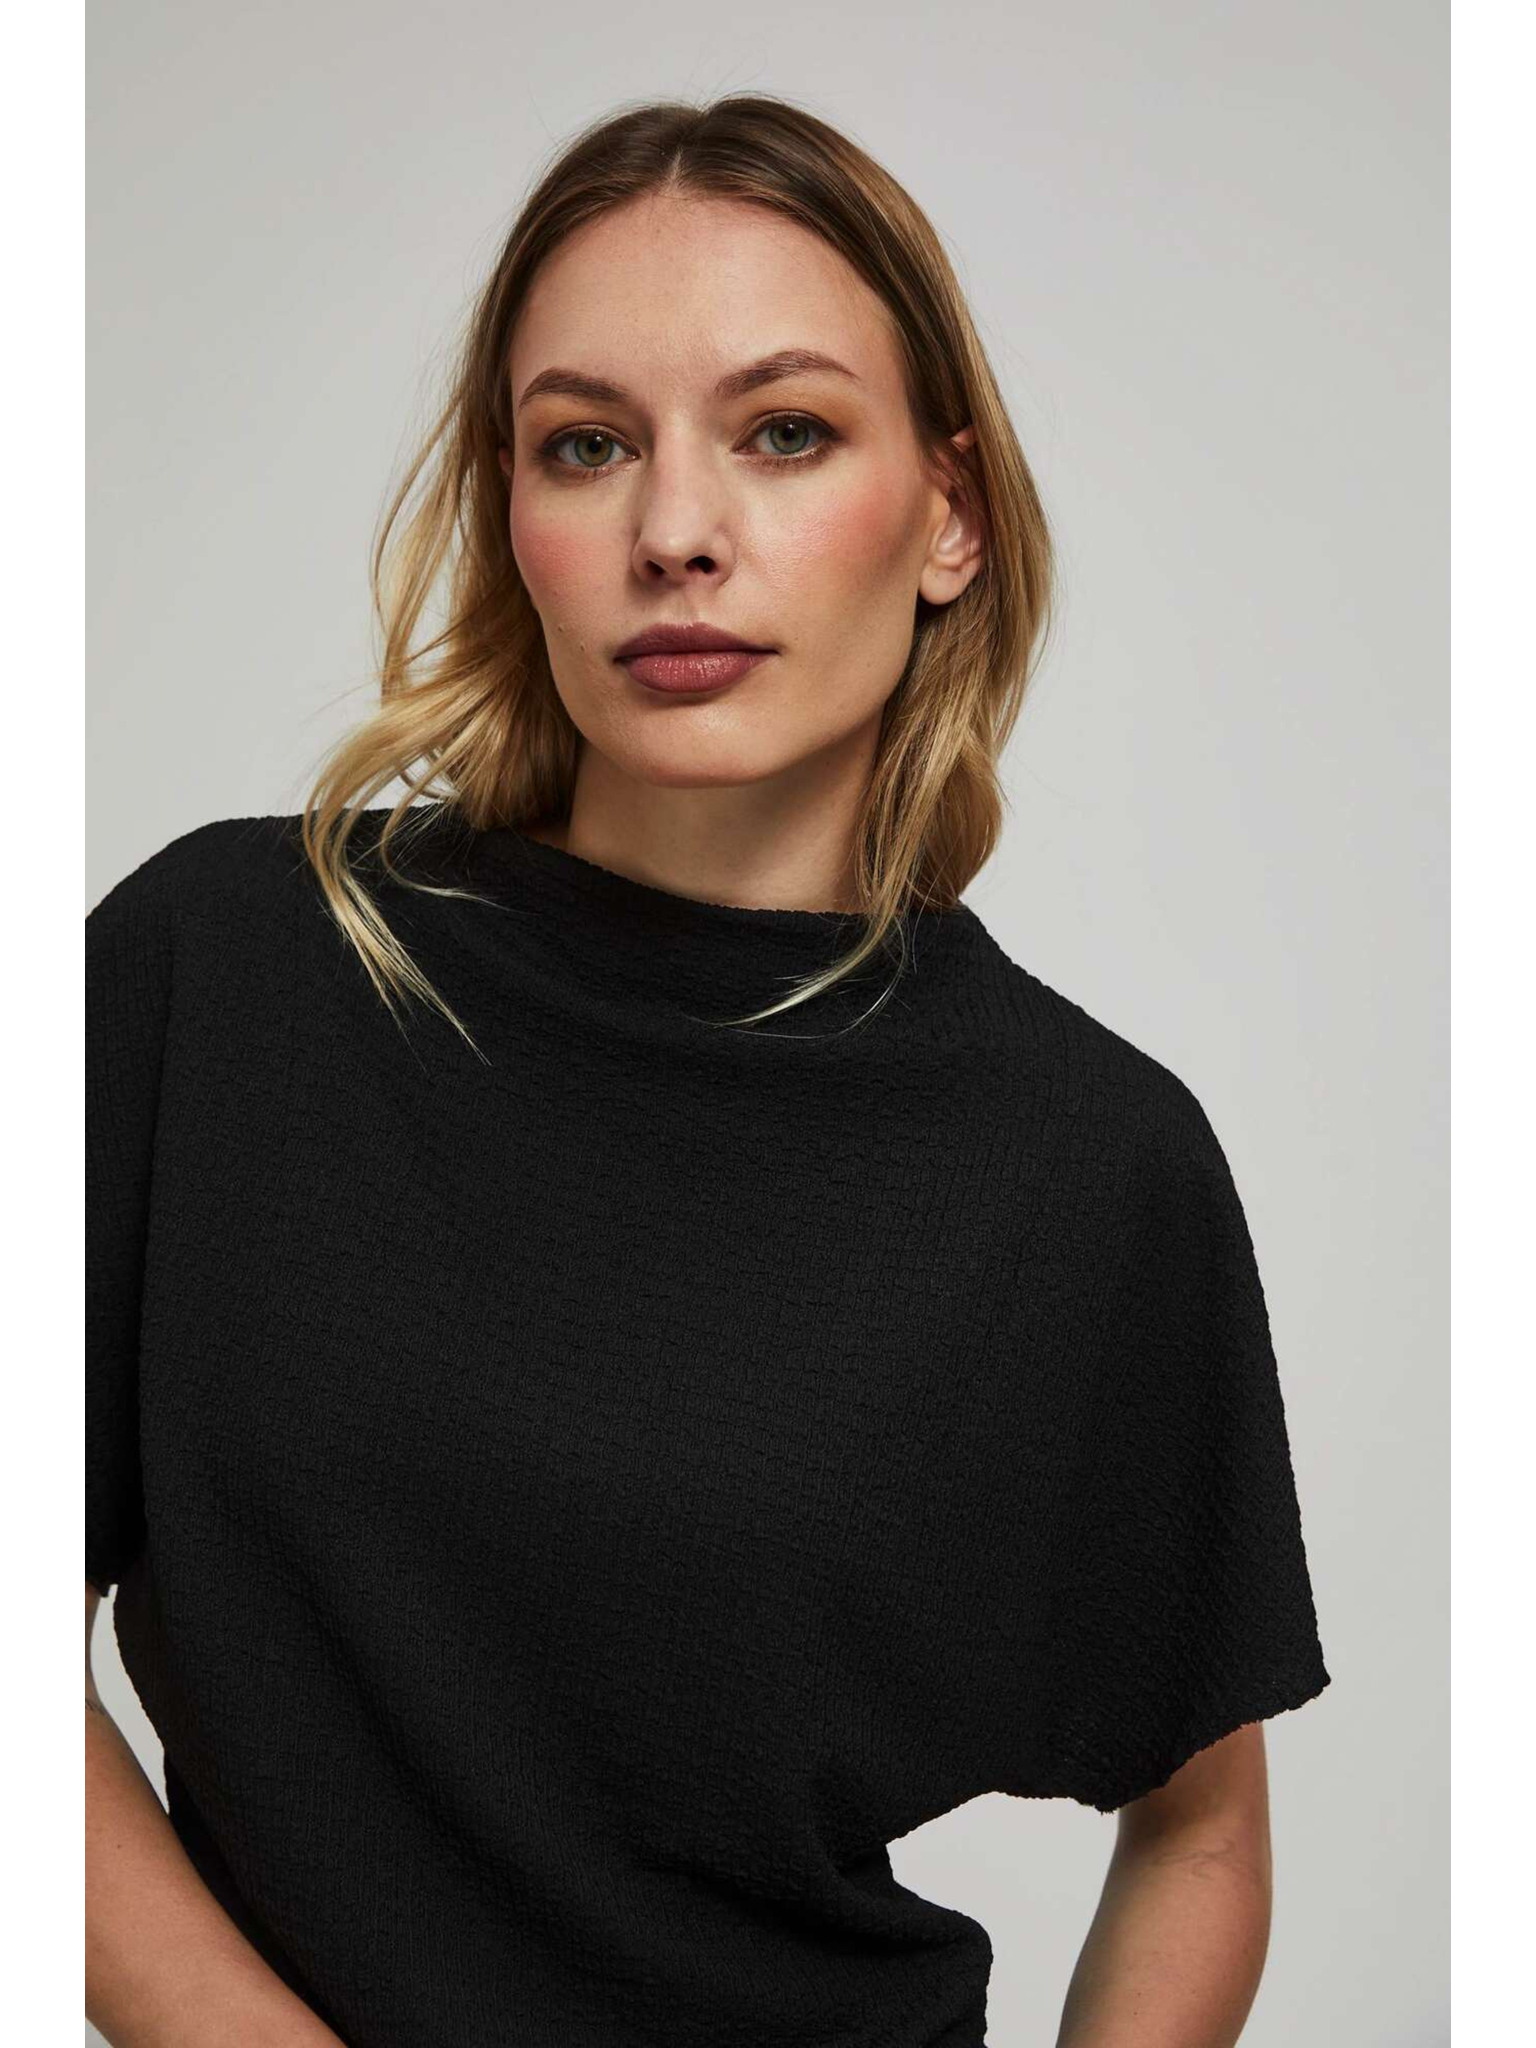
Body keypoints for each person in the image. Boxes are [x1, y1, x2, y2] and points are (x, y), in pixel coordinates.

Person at [85, 93, 1330, 2048]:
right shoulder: (223, 971)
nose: (675, 531)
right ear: (513, 512)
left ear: (949, 514)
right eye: (587, 445)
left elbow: (1202, 1831)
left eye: (784, 432)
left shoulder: (1089, 1161)